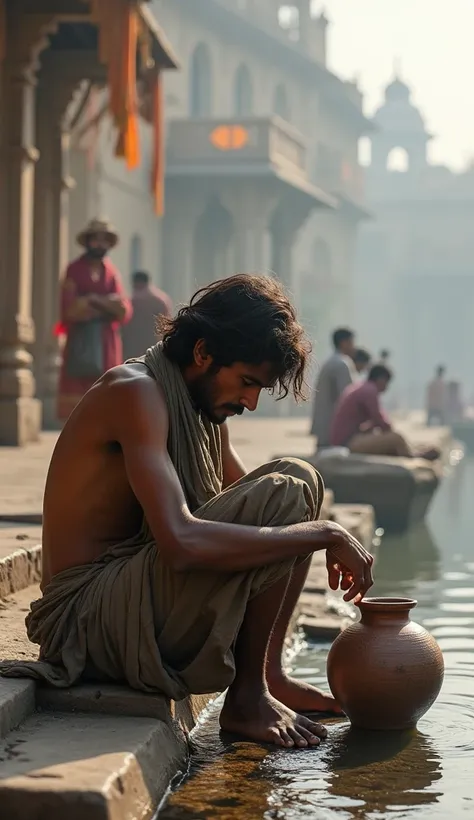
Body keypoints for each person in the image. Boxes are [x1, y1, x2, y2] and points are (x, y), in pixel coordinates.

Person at [1, 275, 373, 750]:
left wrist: (318, 531)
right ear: (202, 353)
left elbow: (260, 499)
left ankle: (266, 677)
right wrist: (323, 534)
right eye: (246, 382)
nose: (250, 401)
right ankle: (245, 699)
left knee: (300, 480)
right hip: (86, 620)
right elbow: (182, 542)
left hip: (136, 593)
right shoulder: (135, 392)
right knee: (290, 497)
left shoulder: (199, 399)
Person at [57, 218, 132, 420]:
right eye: (96, 239)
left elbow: (123, 310)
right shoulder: (74, 269)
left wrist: (92, 300)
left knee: (107, 386)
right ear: (88, 241)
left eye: (104, 240)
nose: (100, 244)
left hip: (107, 341)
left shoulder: (112, 273)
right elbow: (70, 308)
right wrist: (106, 305)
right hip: (80, 339)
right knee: (77, 393)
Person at [330, 364, 439, 460]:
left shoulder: (362, 387)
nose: (387, 387)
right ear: (381, 380)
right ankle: (412, 456)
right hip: (348, 443)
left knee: (386, 437)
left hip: (347, 439)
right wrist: (390, 432)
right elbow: (381, 421)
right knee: (396, 438)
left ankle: (411, 451)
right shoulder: (369, 391)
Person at [310, 328, 357, 448]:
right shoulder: (342, 363)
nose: (353, 347)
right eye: (352, 343)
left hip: (324, 427)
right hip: (334, 430)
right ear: (344, 343)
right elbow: (348, 398)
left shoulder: (330, 362)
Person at [122, 271, 172, 361]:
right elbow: (166, 326)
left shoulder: (131, 300)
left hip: (133, 349)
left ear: (135, 283)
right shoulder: (161, 300)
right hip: (155, 348)